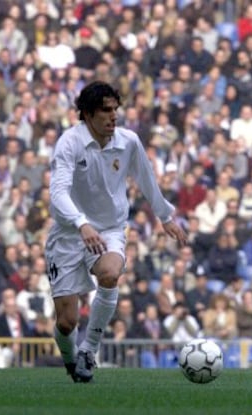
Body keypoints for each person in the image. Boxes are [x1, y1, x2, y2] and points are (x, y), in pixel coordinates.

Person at [45, 81, 187, 383]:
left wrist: (165, 216)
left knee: (110, 273)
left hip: (109, 229)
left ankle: (89, 350)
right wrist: (81, 223)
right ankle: (71, 360)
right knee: (68, 321)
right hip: (70, 234)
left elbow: (147, 179)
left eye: (115, 110)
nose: (113, 117)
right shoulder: (69, 143)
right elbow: (57, 191)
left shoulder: (128, 141)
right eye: (106, 111)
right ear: (87, 114)